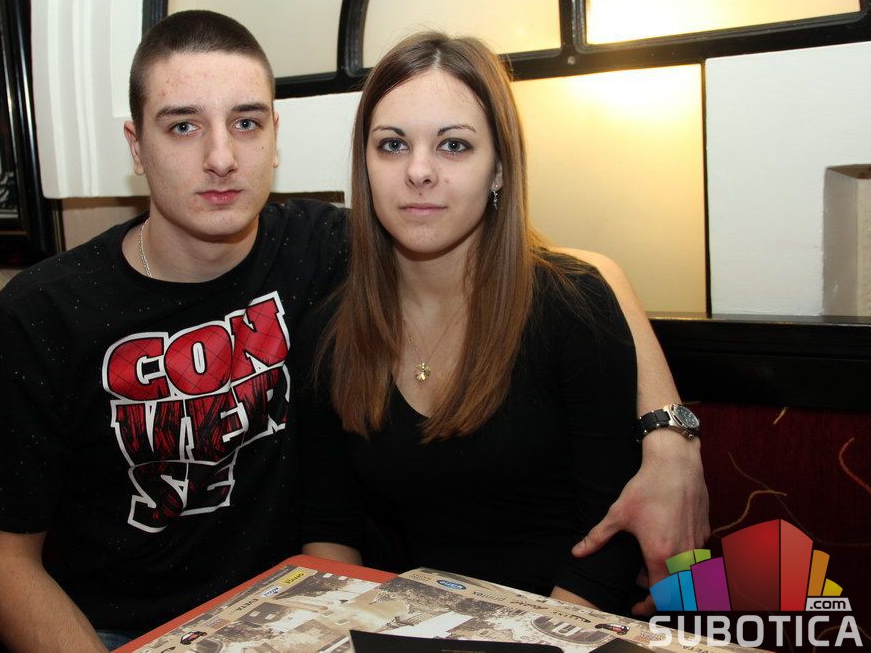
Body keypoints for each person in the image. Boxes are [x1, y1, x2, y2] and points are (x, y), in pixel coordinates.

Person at [0, 11, 704, 651]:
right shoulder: (44, 312)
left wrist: (672, 438)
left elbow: (583, 276)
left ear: (275, 136)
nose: (220, 158)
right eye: (182, 126)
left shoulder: (319, 250)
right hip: (120, 630)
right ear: (136, 146)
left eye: (246, 123)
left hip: (300, 612)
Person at [298, 31, 703, 615]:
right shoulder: (329, 334)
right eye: (392, 144)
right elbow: (330, 530)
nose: (418, 171)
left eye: (454, 145)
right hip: (420, 625)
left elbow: (607, 552)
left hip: (581, 618)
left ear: (499, 171)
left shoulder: (571, 307)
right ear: (365, 166)